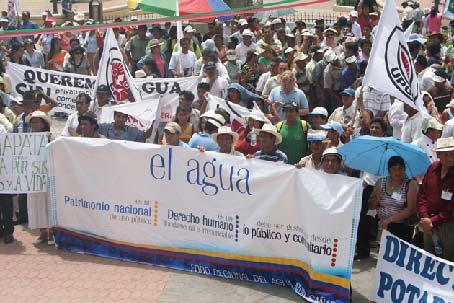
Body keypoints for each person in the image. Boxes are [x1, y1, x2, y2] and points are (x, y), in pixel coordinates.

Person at [417, 137, 454, 261]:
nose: (450, 158)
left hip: (448, 225)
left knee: (448, 260)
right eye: (446, 154)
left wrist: (432, 221)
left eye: (452, 154)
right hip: (428, 222)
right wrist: (425, 217)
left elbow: (451, 207)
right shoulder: (432, 168)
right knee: (429, 257)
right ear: (438, 154)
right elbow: (422, 194)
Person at [369, 156, 418, 243]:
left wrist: (389, 220)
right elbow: (371, 206)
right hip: (382, 226)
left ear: (404, 169)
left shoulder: (411, 184)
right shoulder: (380, 182)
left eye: (400, 168)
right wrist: (377, 198)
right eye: (394, 169)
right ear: (389, 170)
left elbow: (411, 209)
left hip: (402, 227)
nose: (397, 172)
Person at [26, 111, 53, 245]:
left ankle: (51, 233)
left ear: (44, 124)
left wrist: (49, 139)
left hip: (46, 175)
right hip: (33, 176)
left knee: (48, 202)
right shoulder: (26, 138)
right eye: (33, 122)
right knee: (36, 204)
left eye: (37, 122)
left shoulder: (50, 137)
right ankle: (42, 232)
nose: (34, 125)